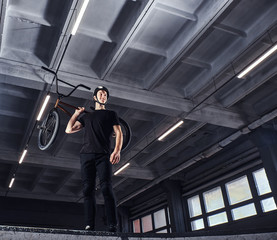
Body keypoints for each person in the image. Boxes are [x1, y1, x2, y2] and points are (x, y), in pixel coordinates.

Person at [65, 86, 123, 232]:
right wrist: (76, 114)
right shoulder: (86, 117)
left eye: (105, 95)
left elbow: (119, 132)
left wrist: (116, 151)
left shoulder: (111, 114)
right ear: (95, 97)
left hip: (103, 155)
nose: (103, 96)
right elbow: (68, 129)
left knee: (106, 188)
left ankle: (112, 224)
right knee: (87, 189)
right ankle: (89, 225)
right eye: (101, 94)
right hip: (86, 155)